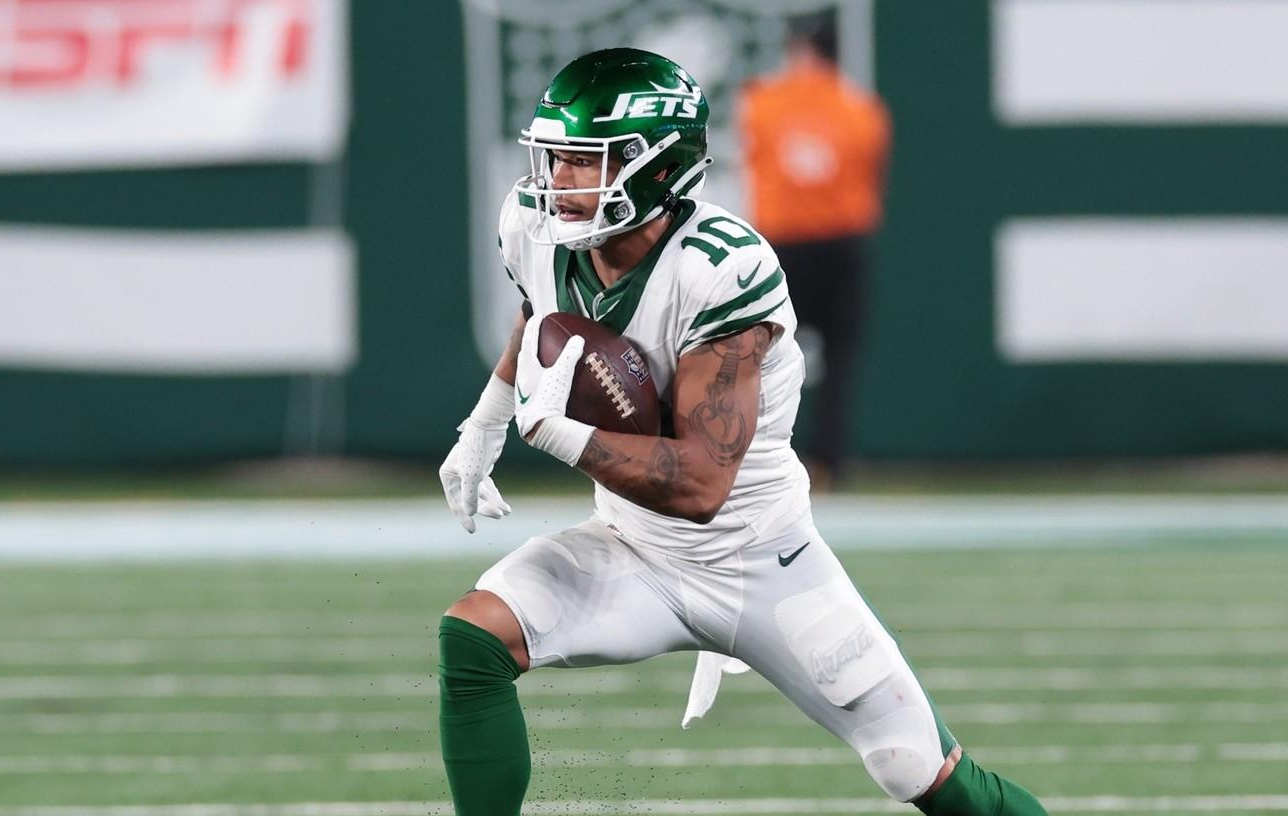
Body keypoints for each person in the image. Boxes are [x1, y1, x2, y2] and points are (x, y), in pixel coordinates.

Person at [436, 48, 1046, 816]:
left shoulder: (721, 269)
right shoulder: (534, 225)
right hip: (631, 547)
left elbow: (699, 486)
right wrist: (485, 423)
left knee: (914, 766)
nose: (554, 181)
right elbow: (545, 318)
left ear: (654, 170)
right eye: (553, 157)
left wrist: (550, 431)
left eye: (579, 162)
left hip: (759, 557)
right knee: (473, 639)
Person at [739, 14, 891, 490]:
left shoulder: (762, 102)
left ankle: (753, 462)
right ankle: (830, 463)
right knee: (839, 360)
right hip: (840, 244)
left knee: (756, 357)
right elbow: (870, 174)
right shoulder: (862, 109)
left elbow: (755, 156)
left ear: (801, 48)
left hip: (782, 246)